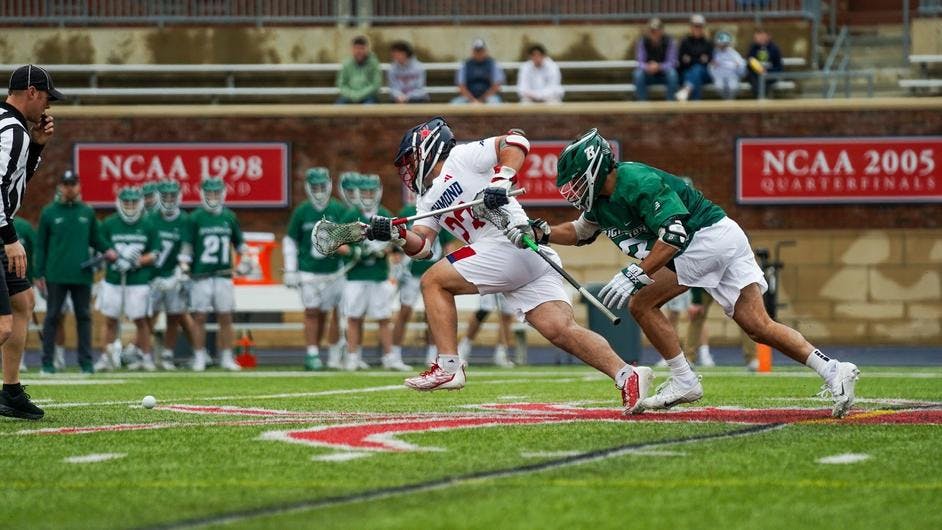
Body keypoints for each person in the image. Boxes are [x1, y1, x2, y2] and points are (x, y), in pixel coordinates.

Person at [549, 128, 860, 418]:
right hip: (723, 235)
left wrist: (636, 273)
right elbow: (580, 231)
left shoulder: (636, 181)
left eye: (575, 180)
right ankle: (834, 370)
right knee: (757, 324)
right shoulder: (601, 201)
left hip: (704, 238)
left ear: (595, 167)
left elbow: (674, 236)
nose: (571, 189)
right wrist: (540, 232)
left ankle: (684, 380)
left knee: (642, 303)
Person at [362, 117, 653, 415]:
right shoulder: (427, 199)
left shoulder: (462, 157)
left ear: (427, 149)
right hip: (519, 255)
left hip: (510, 241)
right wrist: (397, 235)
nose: (408, 169)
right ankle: (627, 375)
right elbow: (422, 247)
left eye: (410, 160)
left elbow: (516, 140)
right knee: (560, 329)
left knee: (433, 282)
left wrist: (502, 179)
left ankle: (448, 365)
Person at [0, 64, 62, 420]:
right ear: (32, 93)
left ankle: (10, 392)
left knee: (22, 301)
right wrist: (9, 238)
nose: (48, 108)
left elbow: (13, 181)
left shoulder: (14, 129)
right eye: (47, 98)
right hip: (0, 231)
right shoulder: (12, 131)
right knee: (3, 324)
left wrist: (37, 148)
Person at [35, 169, 108, 374]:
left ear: (78, 186)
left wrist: (109, 250)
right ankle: (47, 363)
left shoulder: (87, 212)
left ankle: (86, 363)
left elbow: (96, 239)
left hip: (82, 274)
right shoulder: (49, 212)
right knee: (52, 317)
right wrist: (38, 273)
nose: (69, 188)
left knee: (84, 316)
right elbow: (41, 245)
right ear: (61, 186)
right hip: (55, 274)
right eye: (66, 184)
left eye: (73, 184)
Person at [338, 173, 407, 371]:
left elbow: (398, 243)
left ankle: (389, 357)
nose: (367, 195)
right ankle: (352, 356)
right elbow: (338, 243)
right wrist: (356, 251)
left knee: (384, 317)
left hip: (378, 275)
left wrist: (385, 248)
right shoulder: (351, 215)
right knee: (353, 317)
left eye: (371, 191)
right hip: (355, 276)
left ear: (378, 192)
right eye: (364, 191)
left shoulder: (385, 213)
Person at [283, 168, 349, 371]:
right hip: (309, 270)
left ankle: (333, 354)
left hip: (333, 270)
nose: (319, 190)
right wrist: (290, 269)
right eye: (315, 187)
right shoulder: (302, 211)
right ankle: (312, 353)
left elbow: (350, 237)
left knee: (333, 313)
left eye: (322, 186)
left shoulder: (338, 209)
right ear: (307, 187)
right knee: (312, 312)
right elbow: (290, 240)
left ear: (329, 185)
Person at [184, 177, 252, 371]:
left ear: (222, 194)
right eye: (209, 193)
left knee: (226, 316)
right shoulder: (195, 217)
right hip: (201, 275)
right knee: (199, 317)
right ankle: (199, 356)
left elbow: (240, 244)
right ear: (202, 194)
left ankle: (227, 356)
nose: (212, 197)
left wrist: (245, 259)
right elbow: (188, 247)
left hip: (223, 276)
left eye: (216, 193)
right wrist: (183, 266)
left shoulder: (229, 216)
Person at [93, 186, 158, 372]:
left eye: (133, 202)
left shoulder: (148, 223)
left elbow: (155, 253)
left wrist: (136, 261)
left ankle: (145, 357)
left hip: (138, 280)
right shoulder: (109, 223)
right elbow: (101, 247)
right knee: (110, 320)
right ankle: (106, 357)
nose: (130, 206)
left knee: (140, 320)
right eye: (126, 202)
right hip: (114, 278)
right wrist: (113, 257)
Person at [391, 204, 455, 367]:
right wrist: (397, 268)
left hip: (433, 272)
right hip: (411, 273)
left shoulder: (440, 209)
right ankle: (394, 354)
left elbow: (448, 245)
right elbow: (397, 246)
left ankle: (433, 355)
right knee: (404, 312)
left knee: (432, 315)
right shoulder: (406, 212)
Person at [147, 179, 198, 371]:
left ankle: (167, 354)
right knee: (146, 317)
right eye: (165, 195)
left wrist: (180, 272)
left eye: (172, 196)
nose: (168, 199)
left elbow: (186, 248)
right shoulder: (151, 218)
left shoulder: (185, 219)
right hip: (152, 276)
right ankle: (143, 353)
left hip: (173, 274)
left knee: (174, 317)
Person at [456, 294, 516, 368]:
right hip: (490, 283)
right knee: (483, 311)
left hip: (508, 284)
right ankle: (463, 349)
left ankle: (501, 354)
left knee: (507, 314)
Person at [633, 18, 679, 101]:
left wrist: (659, 66)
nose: (654, 33)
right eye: (652, 30)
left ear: (662, 30)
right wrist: (647, 67)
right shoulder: (642, 42)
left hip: (664, 74)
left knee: (673, 74)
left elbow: (672, 62)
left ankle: (670, 106)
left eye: (657, 30)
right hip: (648, 74)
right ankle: (642, 106)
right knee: (638, 74)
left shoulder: (670, 42)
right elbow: (639, 62)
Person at [452, 39, 505, 105]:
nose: (479, 53)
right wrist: (472, 100)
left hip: (488, 97)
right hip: (468, 98)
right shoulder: (465, 65)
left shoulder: (493, 64)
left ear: (485, 51)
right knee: (455, 103)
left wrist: (482, 100)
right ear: (472, 51)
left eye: (481, 51)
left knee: (495, 103)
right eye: (476, 51)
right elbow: (461, 86)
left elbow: (496, 86)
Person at [676, 14, 714, 102]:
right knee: (695, 78)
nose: (698, 29)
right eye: (695, 26)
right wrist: (699, 59)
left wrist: (691, 59)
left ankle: (687, 89)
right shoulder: (685, 41)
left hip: (704, 73)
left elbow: (708, 60)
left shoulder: (708, 42)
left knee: (697, 69)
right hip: (687, 72)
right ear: (691, 27)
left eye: (700, 26)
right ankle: (695, 108)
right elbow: (681, 60)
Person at [336, 35, 381, 105]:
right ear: (352, 49)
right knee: (337, 109)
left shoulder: (373, 63)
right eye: (356, 48)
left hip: (368, 97)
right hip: (349, 97)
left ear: (367, 49)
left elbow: (376, 85)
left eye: (362, 48)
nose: (359, 51)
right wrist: (352, 94)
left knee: (368, 109)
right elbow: (341, 84)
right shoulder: (346, 63)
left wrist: (360, 95)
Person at [709, 31, 746, 100]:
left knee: (733, 87)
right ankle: (725, 102)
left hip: (732, 76)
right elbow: (710, 68)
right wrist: (713, 67)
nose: (722, 45)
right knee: (718, 86)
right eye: (720, 43)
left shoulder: (733, 53)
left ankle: (730, 102)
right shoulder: (714, 53)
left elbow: (742, 67)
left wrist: (738, 66)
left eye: (725, 43)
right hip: (719, 77)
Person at [747, 28, 783, 98]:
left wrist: (768, 71)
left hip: (770, 74)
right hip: (756, 75)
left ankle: (765, 102)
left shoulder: (774, 49)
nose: (759, 38)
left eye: (761, 36)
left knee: (766, 83)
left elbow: (779, 66)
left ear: (768, 37)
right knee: (756, 84)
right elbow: (750, 63)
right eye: (757, 37)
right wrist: (758, 69)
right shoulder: (752, 48)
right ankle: (760, 102)